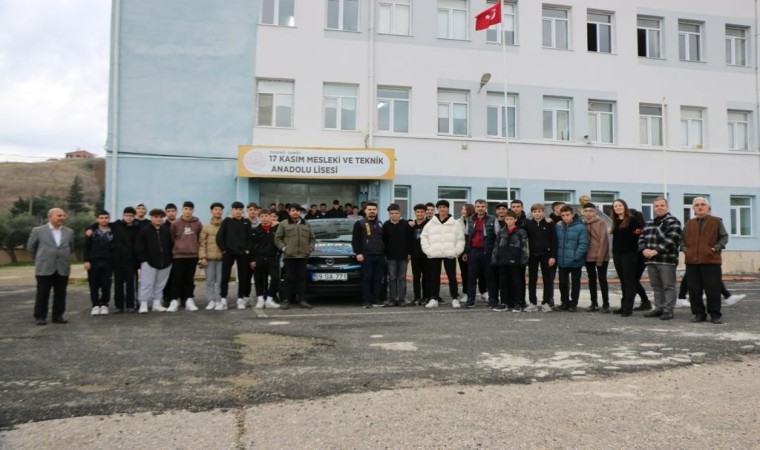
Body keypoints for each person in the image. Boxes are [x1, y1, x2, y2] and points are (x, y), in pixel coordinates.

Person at [681, 197, 728, 324]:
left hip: (711, 260)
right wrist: (685, 250)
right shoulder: (689, 223)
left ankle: (715, 314)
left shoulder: (716, 221)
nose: (700, 207)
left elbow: (724, 237)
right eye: (697, 205)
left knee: (713, 289)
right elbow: (682, 240)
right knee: (694, 290)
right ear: (693, 208)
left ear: (708, 207)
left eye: (702, 204)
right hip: (692, 261)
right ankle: (698, 313)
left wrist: (716, 248)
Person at [638, 197, 682, 321]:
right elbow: (642, 237)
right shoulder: (649, 223)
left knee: (668, 286)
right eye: (656, 206)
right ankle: (659, 308)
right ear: (654, 208)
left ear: (667, 207)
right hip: (650, 260)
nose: (659, 208)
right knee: (656, 286)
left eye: (662, 205)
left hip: (666, 260)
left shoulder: (674, 221)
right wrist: (643, 249)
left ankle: (668, 310)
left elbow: (672, 239)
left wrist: (656, 251)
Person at [28, 208, 74, 325]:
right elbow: (31, 248)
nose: (62, 218)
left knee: (60, 293)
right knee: (43, 293)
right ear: (50, 217)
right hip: (44, 267)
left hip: (62, 267)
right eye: (59, 215)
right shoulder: (38, 231)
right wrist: (40, 259)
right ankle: (40, 316)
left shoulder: (69, 232)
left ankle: (58, 315)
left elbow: (71, 247)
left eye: (63, 216)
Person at [420, 200, 465, 308]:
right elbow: (424, 237)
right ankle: (433, 298)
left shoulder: (455, 223)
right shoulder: (430, 223)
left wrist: (456, 251)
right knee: (434, 277)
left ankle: (454, 298)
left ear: (448, 208)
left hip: (450, 253)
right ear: (437, 209)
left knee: (452, 277)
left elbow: (460, 238)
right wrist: (428, 250)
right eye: (440, 207)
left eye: (444, 207)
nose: (442, 209)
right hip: (434, 254)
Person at [275, 204, 316, 310]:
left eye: (297, 210)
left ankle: (302, 300)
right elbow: (278, 238)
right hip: (289, 256)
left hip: (303, 256)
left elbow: (312, 238)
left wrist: (310, 248)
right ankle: (286, 300)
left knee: (301, 279)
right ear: (289, 212)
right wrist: (284, 248)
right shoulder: (284, 224)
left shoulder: (306, 224)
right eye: (293, 210)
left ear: (300, 212)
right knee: (288, 278)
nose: (295, 212)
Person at [135, 208, 173, 313]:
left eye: (160, 217)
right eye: (156, 217)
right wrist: (143, 260)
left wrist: (170, 259)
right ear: (151, 218)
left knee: (160, 285)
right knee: (146, 284)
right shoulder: (145, 231)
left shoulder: (166, 231)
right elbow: (139, 246)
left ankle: (157, 304)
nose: (158, 219)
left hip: (165, 262)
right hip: (149, 262)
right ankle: (143, 304)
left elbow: (171, 245)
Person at [167, 201, 202, 312]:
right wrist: (179, 247)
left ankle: (189, 300)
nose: (188, 211)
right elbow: (173, 238)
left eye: (190, 209)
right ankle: (173, 301)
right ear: (182, 210)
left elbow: (199, 238)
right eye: (186, 209)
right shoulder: (175, 223)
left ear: (193, 210)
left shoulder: (197, 223)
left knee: (189, 279)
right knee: (176, 279)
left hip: (192, 255)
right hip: (178, 256)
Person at [610, 199, 643, 317]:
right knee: (623, 281)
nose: (617, 207)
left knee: (629, 281)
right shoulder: (615, 221)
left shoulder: (632, 220)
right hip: (617, 254)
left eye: (620, 205)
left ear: (624, 206)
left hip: (629, 253)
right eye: (615, 206)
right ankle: (623, 305)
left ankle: (628, 308)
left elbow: (639, 233)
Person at [216, 201, 252, 311]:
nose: (238, 211)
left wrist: (247, 249)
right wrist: (223, 250)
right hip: (229, 253)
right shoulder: (227, 221)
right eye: (236, 209)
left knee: (243, 277)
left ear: (243, 211)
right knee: (225, 277)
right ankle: (223, 300)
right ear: (232, 210)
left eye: (240, 209)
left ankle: (240, 299)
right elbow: (219, 237)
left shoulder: (246, 222)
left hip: (242, 254)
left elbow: (250, 237)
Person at [492, 210, 529, 312]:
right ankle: (504, 302)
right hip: (503, 260)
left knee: (516, 283)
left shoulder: (521, 232)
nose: (509, 221)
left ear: (515, 219)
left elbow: (525, 247)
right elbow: (496, 246)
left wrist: (523, 260)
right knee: (503, 283)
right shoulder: (501, 231)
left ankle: (517, 303)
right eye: (507, 219)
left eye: (511, 219)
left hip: (515, 261)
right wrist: (494, 259)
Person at [523, 203, 556, 312]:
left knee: (547, 279)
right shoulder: (527, 224)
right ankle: (532, 302)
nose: (537, 214)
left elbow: (553, 241)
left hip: (546, 255)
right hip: (532, 256)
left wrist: (553, 256)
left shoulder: (549, 223)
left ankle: (546, 302)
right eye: (534, 212)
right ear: (531, 213)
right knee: (532, 279)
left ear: (543, 212)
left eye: (539, 211)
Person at [555, 205, 588, 312]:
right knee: (563, 283)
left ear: (572, 214)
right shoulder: (559, 227)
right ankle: (564, 302)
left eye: (567, 215)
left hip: (575, 261)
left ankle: (573, 303)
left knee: (575, 283)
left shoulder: (580, 227)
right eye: (563, 215)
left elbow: (583, 244)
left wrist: (576, 256)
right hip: (562, 261)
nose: (565, 217)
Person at [352, 202, 385, 308]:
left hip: (380, 255)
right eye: (369, 209)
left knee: (378, 279)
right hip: (366, 255)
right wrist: (358, 253)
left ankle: (376, 300)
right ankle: (366, 301)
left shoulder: (380, 223)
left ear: (377, 211)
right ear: (365, 211)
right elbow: (355, 240)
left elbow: (384, 239)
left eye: (374, 209)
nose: (372, 211)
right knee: (366, 278)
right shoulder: (359, 223)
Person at [462, 199, 494, 308]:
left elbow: (496, 236)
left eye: (482, 206)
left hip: (487, 252)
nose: (480, 208)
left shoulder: (493, 219)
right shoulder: (469, 220)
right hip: (473, 251)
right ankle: (470, 300)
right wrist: (466, 252)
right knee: (471, 277)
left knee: (489, 277)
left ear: (486, 207)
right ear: (475, 208)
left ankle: (493, 300)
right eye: (478, 206)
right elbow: (467, 237)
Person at [83, 210, 115, 316]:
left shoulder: (113, 230)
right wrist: (86, 260)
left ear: (109, 219)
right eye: (101, 218)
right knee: (94, 284)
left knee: (106, 284)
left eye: (106, 218)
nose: (104, 220)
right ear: (97, 219)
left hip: (108, 262)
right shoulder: (91, 231)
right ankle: (95, 305)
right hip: (94, 261)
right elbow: (86, 246)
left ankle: (104, 304)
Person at [111, 207, 141, 313]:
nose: (129, 218)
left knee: (131, 284)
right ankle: (118, 306)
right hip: (118, 260)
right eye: (127, 215)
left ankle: (131, 304)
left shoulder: (137, 228)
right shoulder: (116, 225)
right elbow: (102, 223)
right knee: (118, 284)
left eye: (131, 216)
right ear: (123, 216)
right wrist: (90, 228)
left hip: (131, 261)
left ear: (134, 217)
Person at [250, 209, 281, 309]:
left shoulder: (276, 229)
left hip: (272, 258)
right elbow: (252, 246)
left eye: (266, 216)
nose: (264, 218)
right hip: (259, 258)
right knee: (259, 279)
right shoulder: (255, 231)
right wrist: (252, 260)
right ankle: (260, 299)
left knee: (275, 278)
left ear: (270, 217)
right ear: (259, 218)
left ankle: (269, 299)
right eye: (262, 216)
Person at [582, 203, 610, 313]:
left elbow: (604, 241)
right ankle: (594, 303)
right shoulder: (582, 223)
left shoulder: (601, 222)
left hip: (601, 256)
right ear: (583, 212)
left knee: (602, 280)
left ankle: (606, 304)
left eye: (591, 211)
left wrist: (600, 258)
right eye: (586, 211)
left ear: (595, 212)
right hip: (588, 256)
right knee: (592, 280)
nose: (588, 213)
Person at [383, 203, 412, 307]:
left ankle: (401, 299)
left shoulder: (405, 224)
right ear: (389, 214)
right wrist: (384, 254)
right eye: (392, 213)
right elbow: (384, 241)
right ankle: (392, 299)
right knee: (392, 278)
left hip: (403, 256)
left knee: (402, 278)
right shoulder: (386, 225)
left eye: (396, 213)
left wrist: (409, 253)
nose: (394, 215)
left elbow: (409, 239)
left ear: (400, 213)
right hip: (390, 257)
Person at [199, 202, 224, 310]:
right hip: (209, 258)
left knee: (220, 281)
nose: (218, 211)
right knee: (210, 281)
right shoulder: (206, 227)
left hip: (222, 258)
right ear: (211, 211)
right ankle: (211, 301)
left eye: (220, 209)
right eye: (215, 209)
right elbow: (202, 243)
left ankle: (219, 300)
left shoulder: (225, 225)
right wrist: (202, 257)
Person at [630, 208, 652, 311]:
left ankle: (644, 301)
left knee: (633, 280)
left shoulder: (636, 229)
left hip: (638, 256)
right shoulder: (643, 227)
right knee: (634, 280)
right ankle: (643, 301)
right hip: (641, 257)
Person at [408, 204, 430, 305]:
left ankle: (426, 297)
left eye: (422, 212)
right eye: (417, 212)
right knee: (416, 277)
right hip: (415, 255)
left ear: (425, 213)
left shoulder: (429, 224)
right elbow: (408, 240)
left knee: (426, 277)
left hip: (426, 255)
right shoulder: (411, 225)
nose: (419, 214)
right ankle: (417, 297)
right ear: (415, 213)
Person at [458, 203, 475, 302]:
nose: (463, 211)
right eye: (462, 209)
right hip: (461, 251)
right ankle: (466, 293)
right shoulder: (457, 222)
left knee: (474, 274)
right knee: (464, 273)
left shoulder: (475, 221)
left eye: (465, 209)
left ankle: (483, 291)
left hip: (473, 250)